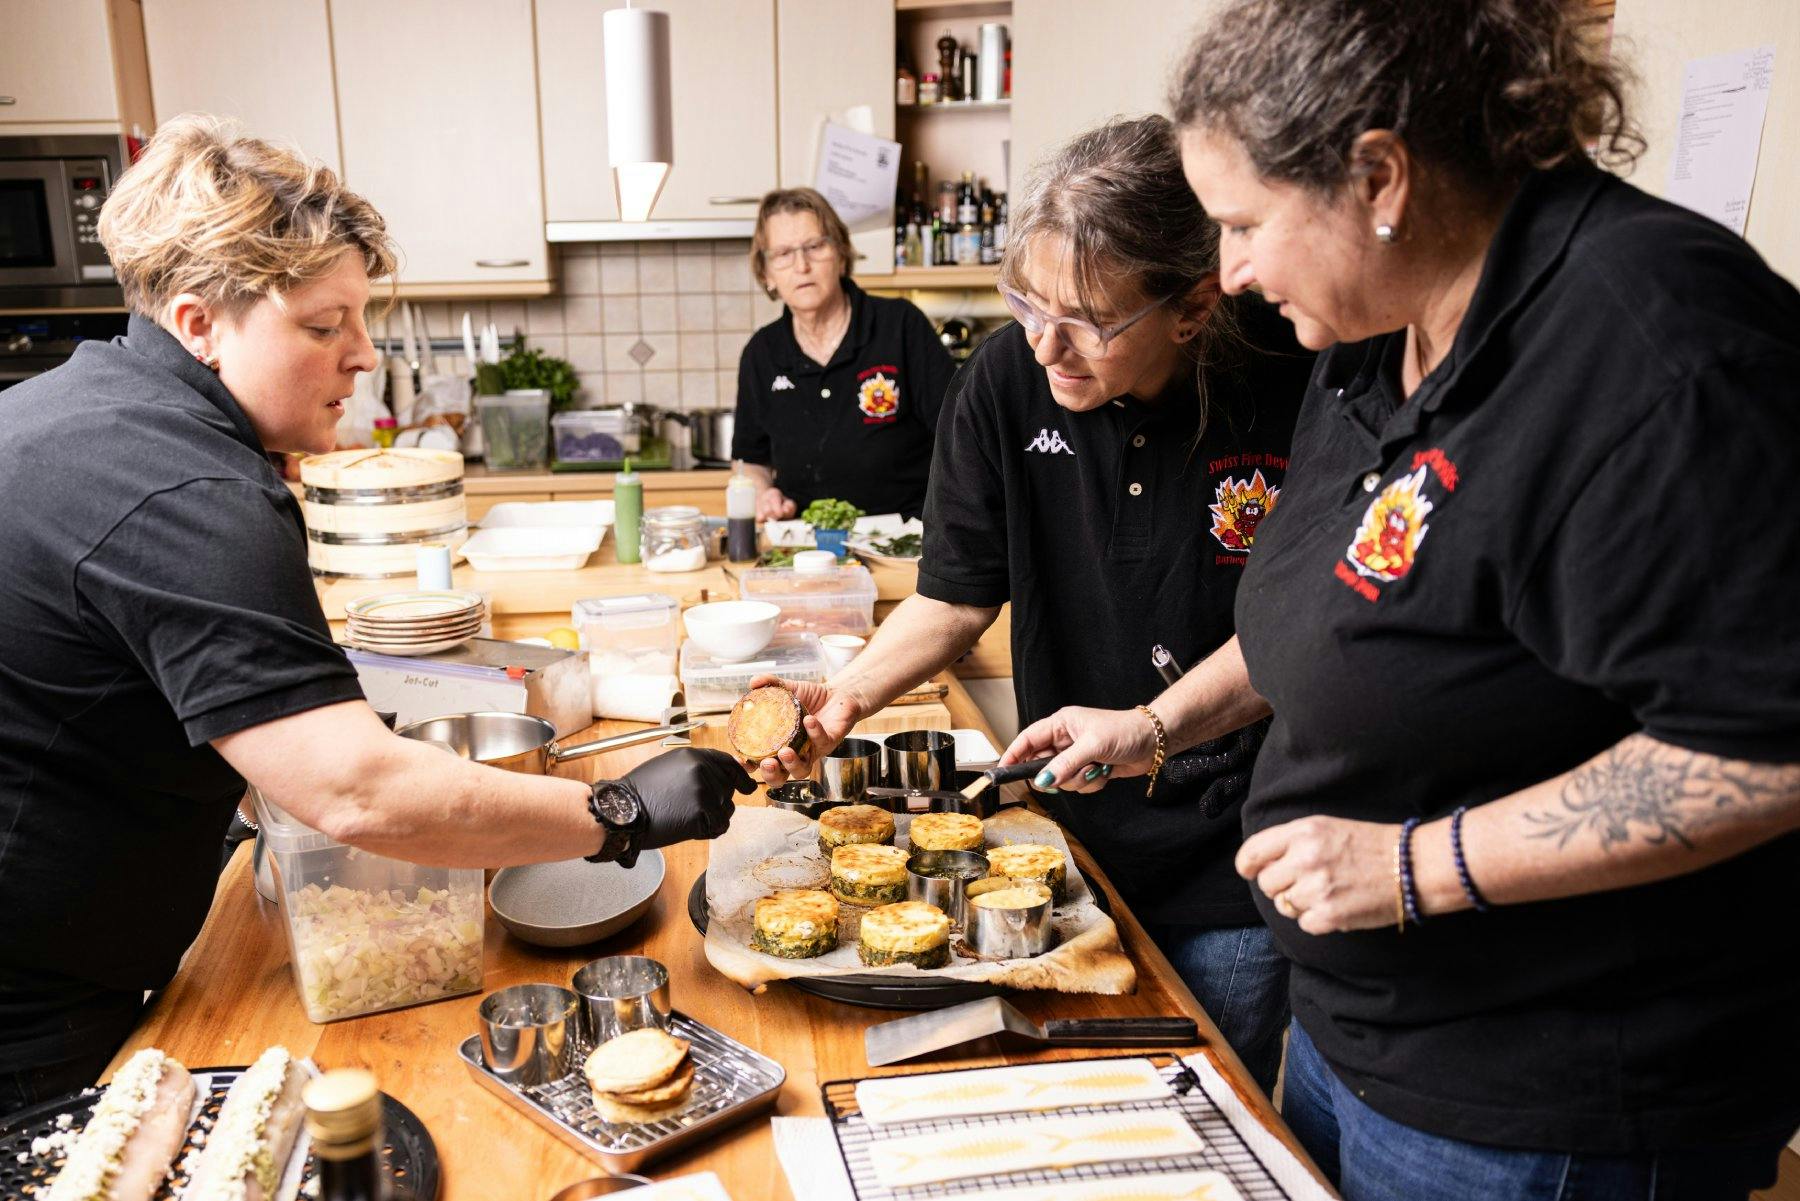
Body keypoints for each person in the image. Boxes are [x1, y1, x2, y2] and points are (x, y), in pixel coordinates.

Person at [1004, 1, 1800, 1196]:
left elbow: (1768, 751)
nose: (1229, 270)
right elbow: (1343, 612)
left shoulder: (1657, 348)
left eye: (1244, 223)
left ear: (1379, 174)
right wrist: (1156, 727)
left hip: (1546, 1098)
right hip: (1352, 1036)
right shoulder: (1376, 331)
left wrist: (1424, 867)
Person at [0, 116, 753, 1116]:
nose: (362, 356)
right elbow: (354, 790)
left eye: (358, 317)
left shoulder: (73, 409)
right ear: (197, 322)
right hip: (28, 1007)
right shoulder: (188, 491)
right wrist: (617, 813)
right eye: (322, 326)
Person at [751, 117, 1315, 1093]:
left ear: (1191, 307)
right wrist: (845, 696)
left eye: (1089, 319)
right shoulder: (1010, 380)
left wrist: (1151, 726)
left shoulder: (1293, 373)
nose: (1047, 343)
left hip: (1237, 861)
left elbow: (1304, 624)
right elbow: (954, 595)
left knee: (1197, 1105)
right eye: (1028, 302)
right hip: (1069, 846)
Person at [731, 187, 954, 522]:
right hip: (805, 545)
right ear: (767, 273)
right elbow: (751, 460)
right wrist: (764, 493)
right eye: (783, 254)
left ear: (840, 252)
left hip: (905, 538)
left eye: (815, 246)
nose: (801, 266)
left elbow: (958, 434)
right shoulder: (762, 353)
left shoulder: (900, 326)